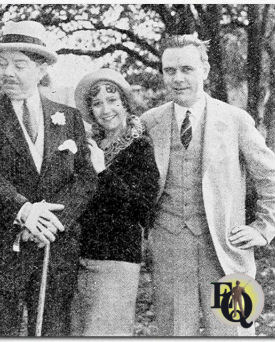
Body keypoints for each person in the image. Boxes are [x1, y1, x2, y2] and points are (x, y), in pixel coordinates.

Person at [0, 20, 97, 336]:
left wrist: (50, 219)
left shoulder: (69, 117)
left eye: (19, 65)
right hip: (0, 249)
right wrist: (25, 211)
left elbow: (85, 179)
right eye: (2, 63)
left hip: (55, 247)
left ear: (41, 69)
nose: (7, 72)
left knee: (53, 329)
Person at [140, 34, 275, 336]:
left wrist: (264, 228)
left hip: (228, 248)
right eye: (169, 70)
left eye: (186, 69)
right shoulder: (150, 122)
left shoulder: (235, 119)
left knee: (234, 331)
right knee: (175, 332)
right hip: (170, 247)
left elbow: (272, 177)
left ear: (205, 69)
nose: (177, 78)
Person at [70, 69, 159, 336]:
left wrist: (103, 172)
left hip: (116, 259)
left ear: (124, 104)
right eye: (97, 103)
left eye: (112, 101)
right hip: (81, 257)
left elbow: (141, 208)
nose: (105, 109)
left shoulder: (139, 147)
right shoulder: (89, 146)